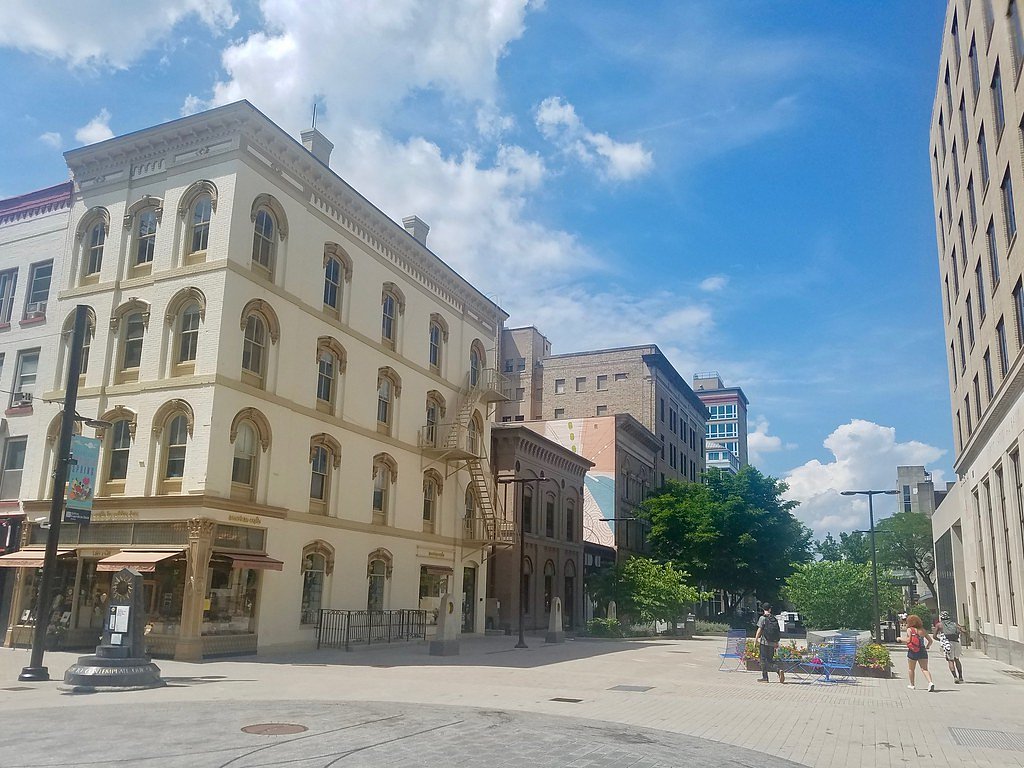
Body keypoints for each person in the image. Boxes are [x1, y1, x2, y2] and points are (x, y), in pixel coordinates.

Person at [754, 602, 785, 684]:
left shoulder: (762, 618)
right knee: (770, 660)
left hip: (764, 642)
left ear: (763, 609)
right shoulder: (774, 618)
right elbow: (777, 631)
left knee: (763, 660)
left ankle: (765, 677)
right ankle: (778, 670)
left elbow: (759, 630)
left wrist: (756, 639)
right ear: (770, 609)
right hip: (772, 643)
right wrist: (777, 642)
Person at [904, 614, 936, 691]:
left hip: (913, 650)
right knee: (924, 669)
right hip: (922, 650)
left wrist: (899, 639)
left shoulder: (910, 630)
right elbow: (930, 641)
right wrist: (927, 646)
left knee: (911, 669)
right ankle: (930, 682)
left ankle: (912, 685)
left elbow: (908, 640)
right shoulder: (923, 630)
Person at [934, 610, 965, 683]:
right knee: (957, 659)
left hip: (948, 643)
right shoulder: (954, 624)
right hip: (956, 643)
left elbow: (934, 636)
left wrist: (941, 640)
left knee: (950, 660)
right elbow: (963, 630)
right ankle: (960, 676)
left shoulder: (939, 625)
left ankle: (955, 677)